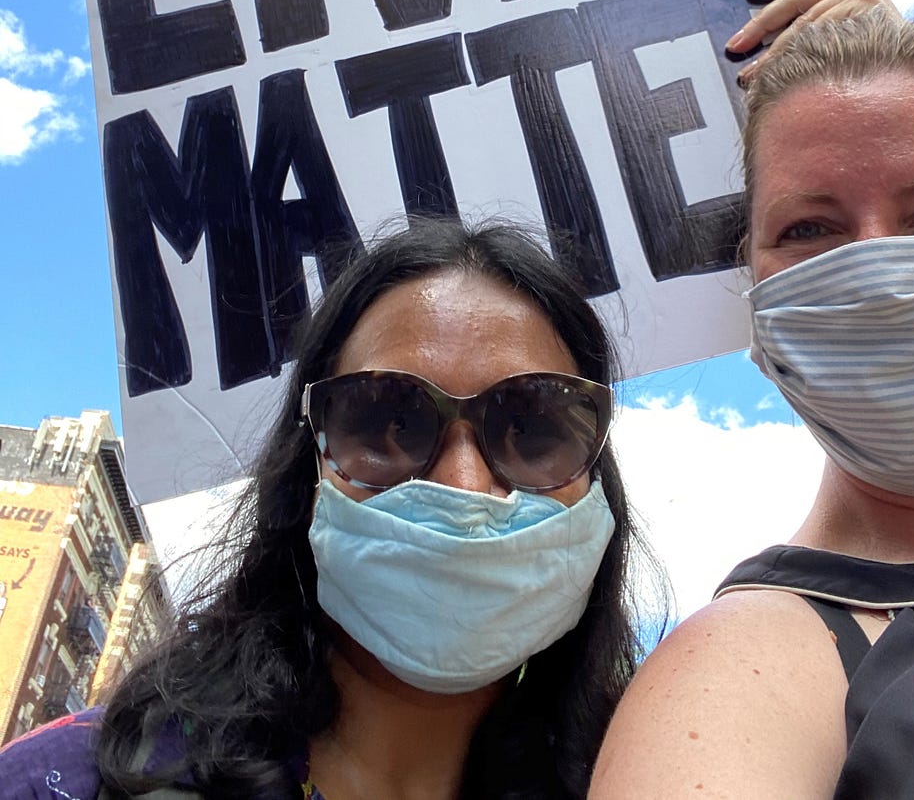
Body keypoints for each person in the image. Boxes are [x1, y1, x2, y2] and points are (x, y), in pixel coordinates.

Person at [0, 219, 660, 800]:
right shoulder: (73, 782)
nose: (464, 483)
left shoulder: (666, 772)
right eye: (385, 419)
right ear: (305, 474)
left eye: (536, 426)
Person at [591, 6, 914, 799]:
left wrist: (908, 70)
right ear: (754, 288)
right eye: (809, 227)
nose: (881, 272)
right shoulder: (739, 674)